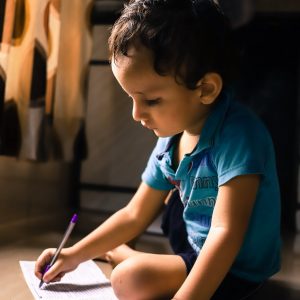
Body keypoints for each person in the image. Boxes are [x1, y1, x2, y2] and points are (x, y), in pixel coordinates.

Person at [35, 1, 281, 299]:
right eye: (131, 99)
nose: (136, 114)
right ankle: (123, 253)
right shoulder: (172, 141)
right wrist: (72, 255)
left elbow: (224, 234)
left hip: (235, 268)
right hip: (192, 246)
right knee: (169, 199)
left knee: (128, 279)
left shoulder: (240, 136)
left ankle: (121, 255)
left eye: (151, 101)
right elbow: (134, 214)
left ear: (205, 89)